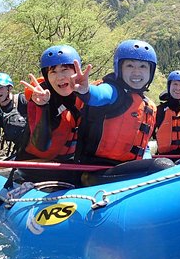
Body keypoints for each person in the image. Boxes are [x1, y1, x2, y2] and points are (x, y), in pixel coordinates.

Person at [70, 39, 173, 185]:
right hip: (95, 172)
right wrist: (85, 90)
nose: (136, 72)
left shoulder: (148, 105)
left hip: (124, 170)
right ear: (119, 68)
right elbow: (99, 95)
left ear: (150, 71)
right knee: (162, 166)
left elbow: (144, 147)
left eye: (143, 66)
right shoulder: (113, 91)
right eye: (130, 65)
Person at [15, 45, 84, 185]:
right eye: (53, 72)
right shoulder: (39, 98)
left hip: (68, 166)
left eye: (65, 69)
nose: (59, 77)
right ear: (47, 76)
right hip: (32, 168)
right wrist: (43, 106)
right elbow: (41, 145)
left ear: (76, 71)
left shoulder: (87, 94)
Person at [153, 70, 180, 156]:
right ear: (169, 86)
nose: (178, 88)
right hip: (165, 158)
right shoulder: (159, 110)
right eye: (175, 84)